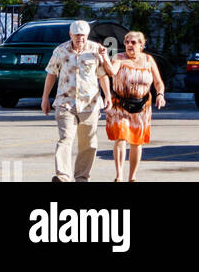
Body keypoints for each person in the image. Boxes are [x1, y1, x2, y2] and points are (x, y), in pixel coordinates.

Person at [41, 20, 111, 184]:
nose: (80, 38)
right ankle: (63, 177)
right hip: (65, 102)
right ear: (70, 35)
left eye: (83, 35)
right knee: (65, 139)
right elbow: (51, 73)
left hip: (90, 103)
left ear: (87, 35)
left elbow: (102, 74)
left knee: (88, 143)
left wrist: (107, 95)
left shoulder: (95, 50)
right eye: (77, 35)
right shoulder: (60, 51)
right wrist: (45, 98)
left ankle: (82, 177)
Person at [100, 32, 165, 183]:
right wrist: (104, 57)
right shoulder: (119, 58)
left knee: (136, 141)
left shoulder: (148, 60)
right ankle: (119, 176)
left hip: (142, 106)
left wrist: (160, 94)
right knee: (121, 137)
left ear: (142, 45)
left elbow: (158, 82)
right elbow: (111, 71)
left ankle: (132, 177)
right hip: (120, 105)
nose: (130, 45)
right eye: (127, 42)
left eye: (134, 42)